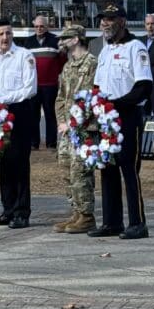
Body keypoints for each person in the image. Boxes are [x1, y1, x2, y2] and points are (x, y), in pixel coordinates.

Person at [89, 3, 152, 240]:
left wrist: (117, 104)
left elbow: (144, 87)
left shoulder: (136, 48)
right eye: (103, 19)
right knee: (107, 167)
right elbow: (97, 85)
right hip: (105, 116)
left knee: (128, 168)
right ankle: (111, 221)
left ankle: (137, 222)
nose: (105, 23)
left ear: (122, 22)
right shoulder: (104, 51)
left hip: (127, 115)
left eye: (110, 19)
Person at [0, 19, 38, 228]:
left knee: (19, 162)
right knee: (5, 162)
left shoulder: (24, 56)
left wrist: (5, 99)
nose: (5, 37)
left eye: (8, 33)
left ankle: (22, 212)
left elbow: (30, 88)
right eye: (0, 34)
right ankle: (7, 209)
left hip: (19, 111)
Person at [52, 24, 99, 234]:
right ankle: (76, 212)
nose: (61, 41)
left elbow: (91, 97)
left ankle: (87, 215)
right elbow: (61, 97)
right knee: (66, 169)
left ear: (77, 39)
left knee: (81, 171)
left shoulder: (92, 64)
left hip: (84, 128)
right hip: (67, 130)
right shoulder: (68, 66)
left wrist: (74, 122)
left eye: (66, 38)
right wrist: (62, 121)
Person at [24, 15, 62, 149]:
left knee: (50, 114)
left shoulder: (56, 40)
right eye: (36, 26)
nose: (39, 29)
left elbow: (62, 61)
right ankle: (34, 143)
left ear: (47, 26)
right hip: (34, 85)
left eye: (42, 26)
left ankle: (51, 142)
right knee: (33, 115)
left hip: (50, 85)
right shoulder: (28, 42)